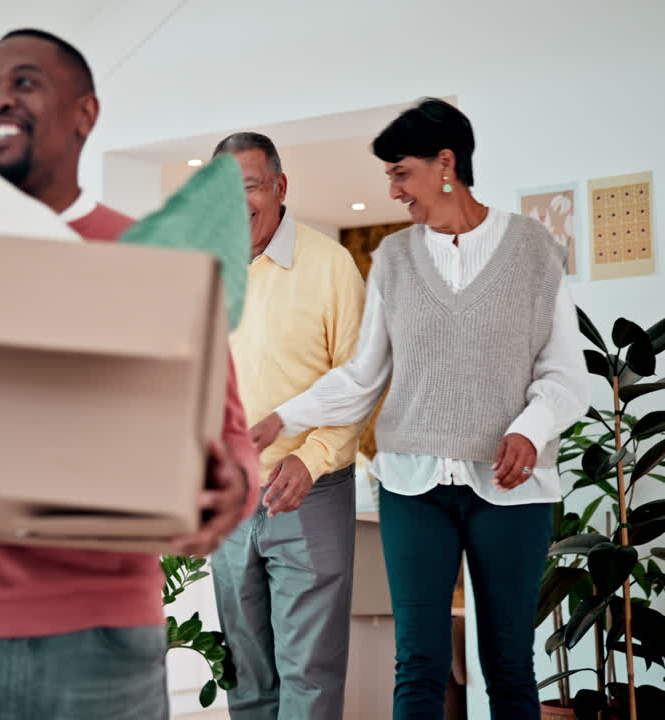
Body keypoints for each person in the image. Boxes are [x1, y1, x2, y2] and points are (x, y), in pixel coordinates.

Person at [0, 29, 261, 720]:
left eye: (24, 82)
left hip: (104, 638)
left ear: (85, 113)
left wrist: (231, 488)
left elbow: (232, 436)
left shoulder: (156, 259)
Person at [251, 99, 592, 720]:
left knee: (509, 663)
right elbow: (363, 375)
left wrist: (530, 428)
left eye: (401, 173)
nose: (393, 189)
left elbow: (566, 372)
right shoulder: (394, 259)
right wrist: (284, 418)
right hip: (413, 485)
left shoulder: (533, 249)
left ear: (446, 164)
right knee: (419, 662)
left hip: (511, 488)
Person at [208, 132, 365, 719]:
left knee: (309, 675)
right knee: (246, 676)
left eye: (249, 186)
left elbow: (360, 381)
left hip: (309, 491)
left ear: (280, 187)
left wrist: (312, 457)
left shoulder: (330, 265)